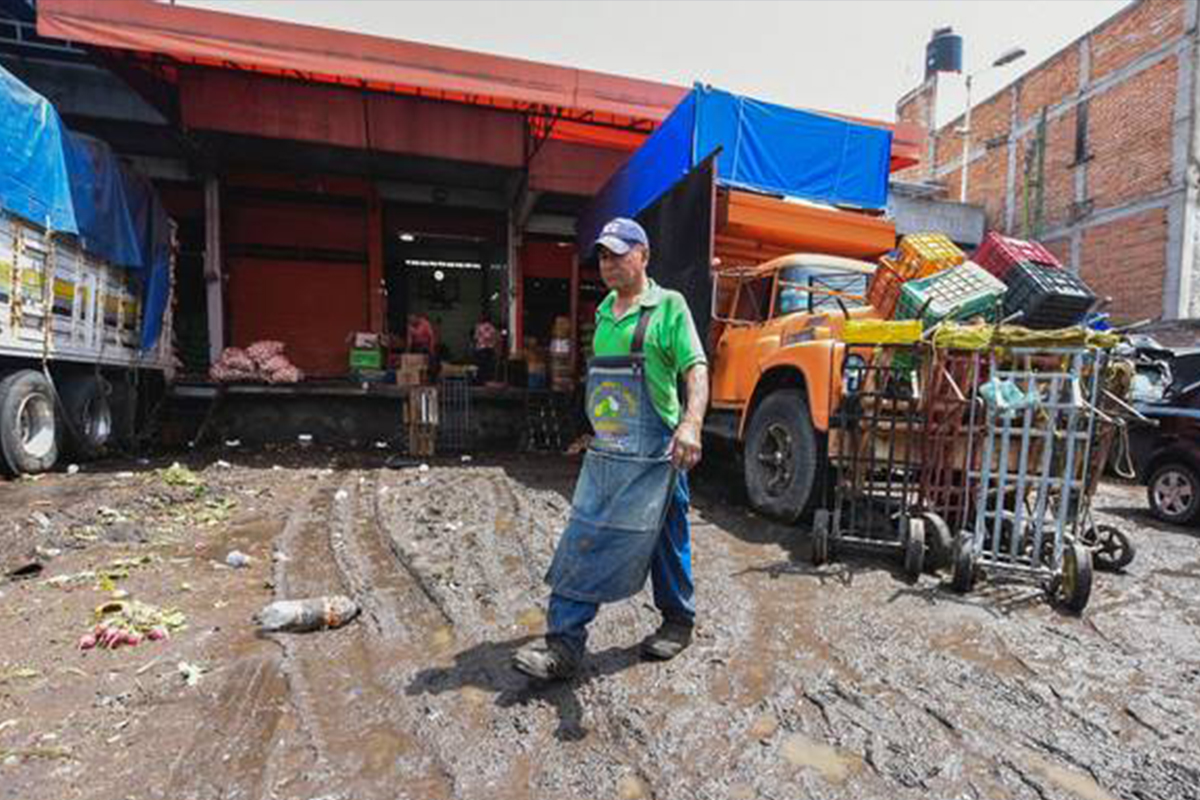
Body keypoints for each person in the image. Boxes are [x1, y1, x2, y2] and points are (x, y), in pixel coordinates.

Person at [513, 217, 709, 681]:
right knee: (588, 535)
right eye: (602, 255)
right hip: (610, 451)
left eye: (618, 253)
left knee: (666, 538)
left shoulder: (669, 307)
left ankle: (678, 621)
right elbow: (606, 388)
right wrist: (593, 430)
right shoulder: (603, 312)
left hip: (659, 452)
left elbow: (695, 370)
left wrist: (692, 423)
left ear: (643, 255)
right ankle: (563, 644)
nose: (608, 263)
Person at [471, 315, 500, 384]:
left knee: (480, 365)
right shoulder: (492, 328)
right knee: (488, 366)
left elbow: (475, 338)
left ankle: (480, 380)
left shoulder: (479, 327)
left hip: (480, 349)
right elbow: (496, 339)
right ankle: (487, 381)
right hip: (490, 349)